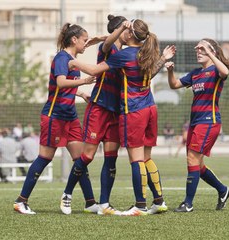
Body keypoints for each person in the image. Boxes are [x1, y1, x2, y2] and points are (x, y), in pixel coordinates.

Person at [70, 19, 176, 216]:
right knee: (146, 157)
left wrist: (73, 61)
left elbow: (94, 70)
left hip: (133, 110)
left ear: (128, 34)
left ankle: (140, 205)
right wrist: (163, 58)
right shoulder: (148, 52)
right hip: (150, 107)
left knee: (136, 160)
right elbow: (151, 73)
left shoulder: (125, 55)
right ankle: (159, 201)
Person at [13, 23, 96, 215]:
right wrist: (83, 81)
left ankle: (90, 202)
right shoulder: (62, 57)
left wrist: (81, 93)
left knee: (80, 159)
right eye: (84, 40)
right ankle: (21, 201)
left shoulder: (72, 58)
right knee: (45, 157)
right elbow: (60, 82)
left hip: (70, 116)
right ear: (74, 40)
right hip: (54, 116)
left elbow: (67, 86)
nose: (86, 44)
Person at [60, 14, 126, 216]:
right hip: (98, 108)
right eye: (126, 29)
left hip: (115, 112)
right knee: (87, 156)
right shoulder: (107, 48)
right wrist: (121, 28)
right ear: (119, 30)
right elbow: (107, 43)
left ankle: (104, 204)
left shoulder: (125, 53)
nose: (129, 32)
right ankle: (67, 194)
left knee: (111, 158)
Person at [165, 38, 229, 212]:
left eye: (202, 49)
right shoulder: (195, 73)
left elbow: (225, 72)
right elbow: (174, 85)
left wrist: (210, 52)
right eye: (197, 49)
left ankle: (188, 203)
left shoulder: (216, 70)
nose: (198, 51)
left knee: (192, 159)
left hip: (209, 121)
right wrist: (171, 71)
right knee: (196, 164)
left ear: (211, 51)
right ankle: (223, 190)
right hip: (195, 123)